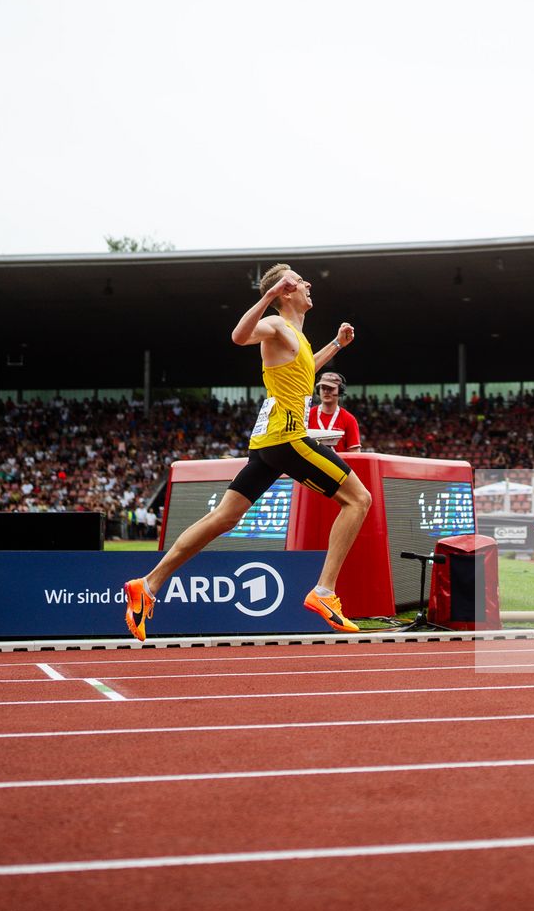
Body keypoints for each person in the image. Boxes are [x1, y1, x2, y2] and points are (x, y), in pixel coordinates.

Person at [125, 265, 368, 637]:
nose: (308, 284)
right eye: (300, 281)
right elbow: (238, 336)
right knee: (358, 500)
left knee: (223, 518)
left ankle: (148, 584)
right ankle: (324, 591)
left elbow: (304, 372)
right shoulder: (275, 325)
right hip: (286, 437)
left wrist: (336, 345)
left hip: (267, 443)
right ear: (286, 292)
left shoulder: (297, 337)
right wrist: (268, 296)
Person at [305, 371, 361, 451]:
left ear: (340, 391)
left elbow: (355, 453)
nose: (326, 391)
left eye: (331, 388)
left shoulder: (349, 419)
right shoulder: (308, 416)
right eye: (323, 388)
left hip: (338, 463)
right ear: (318, 390)